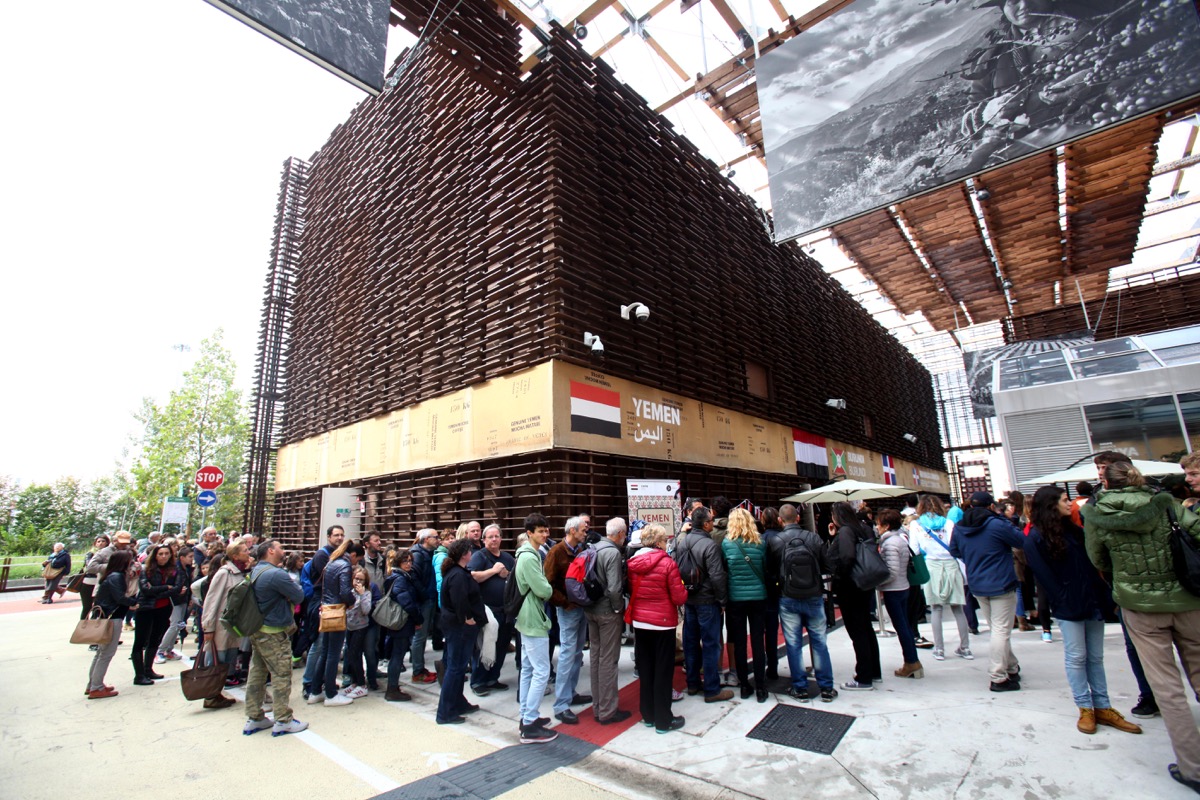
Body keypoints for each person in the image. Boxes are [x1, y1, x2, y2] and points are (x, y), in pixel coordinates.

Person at [1085, 461, 1200, 791]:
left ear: (1106, 483)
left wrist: (1124, 571)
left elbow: (1098, 559)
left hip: (1139, 604)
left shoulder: (1098, 515)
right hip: (1187, 597)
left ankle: (1192, 768)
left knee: (1167, 689)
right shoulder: (1168, 505)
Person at [1023, 486, 1140, 736]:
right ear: (1051, 504)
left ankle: (1103, 706)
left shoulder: (1075, 530)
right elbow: (1044, 577)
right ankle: (1085, 707)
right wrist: (1064, 599)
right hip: (1069, 605)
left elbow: (1092, 563)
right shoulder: (1035, 538)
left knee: (1095, 657)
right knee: (1076, 656)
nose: (1069, 504)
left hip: (1092, 600)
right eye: (1065, 501)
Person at [952, 492, 1026, 692]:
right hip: (1001, 581)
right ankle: (998, 675)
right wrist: (1003, 518)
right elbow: (1021, 540)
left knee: (998, 630)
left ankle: (1011, 666)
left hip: (977, 582)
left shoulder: (960, 527)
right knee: (1001, 630)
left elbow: (955, 550)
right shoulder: (996, 524)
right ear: (991, 506)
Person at [767, 504, 837, 702]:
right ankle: (826, 687)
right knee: (820, 641)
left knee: (793, 643)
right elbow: (827, 564)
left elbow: (770, 571)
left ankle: (800, 687)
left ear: (781, 520)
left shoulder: (776, 541)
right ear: (798, 518)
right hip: (813, 595)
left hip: (788, 597)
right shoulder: (813, 538)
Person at [242, 539, 308, 737]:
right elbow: (299, 595)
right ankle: (283, 719)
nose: (283, 550)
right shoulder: (276, 574)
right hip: (273, 631)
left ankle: (254, 716)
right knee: (281, 675)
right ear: (270, 551)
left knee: (257, 673)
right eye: (280, 547)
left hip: (257, 629)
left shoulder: (255, 571)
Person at [628, 523, 687, 733]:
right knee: (662, 671)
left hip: (640, 622)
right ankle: (664, 720)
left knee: (646, 668)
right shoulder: (667, 563)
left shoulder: (632, 563)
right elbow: (679, 596)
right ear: (660, 541)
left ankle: (649, 714)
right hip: (662, 623)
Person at [676, 506, 733, 702]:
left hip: (689, 598)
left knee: (690, 642)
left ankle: (692, 683)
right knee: (710, 644)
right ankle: (711, 688)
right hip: (707, 599)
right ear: (706, 524)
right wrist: (723, 599)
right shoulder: (710, 546)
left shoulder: (682, 543)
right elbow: (717, 576)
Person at [826, 502, 881, 691]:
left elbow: (847, 556)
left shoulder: (847, 532)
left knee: (857, 631)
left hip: (851, 586)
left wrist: (840, 576)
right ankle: (874, 670)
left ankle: (864, 676)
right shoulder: (864, 529)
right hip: (865, 583)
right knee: (866, 628)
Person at [513, 513, 558, 743]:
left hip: (526, 618)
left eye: (546, 530)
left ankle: (527, 717)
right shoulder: (530, 557)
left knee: (530, 670)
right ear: (529, 533)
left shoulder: (526, 554)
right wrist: (548, 588)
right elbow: (543, 590)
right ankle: (529, 724)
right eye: (540, 531)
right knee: (541, 671)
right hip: (533, 619)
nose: (545, 534)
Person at [909, 496, 971, 661]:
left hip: (931, 565)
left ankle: (939, 649)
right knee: (958, 608)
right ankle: (965, 647)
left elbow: (914, 550)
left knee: (936, 609)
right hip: (951, 564)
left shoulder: (916, 525)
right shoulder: (948, 523)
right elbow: (956, 545)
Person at [544, 516, 593, 724]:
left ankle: (570, 694)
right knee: (567, 653)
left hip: (580, 608)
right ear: (572, 531)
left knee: (576, 653)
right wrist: (564, 603)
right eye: (583, 529)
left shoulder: (580, 551)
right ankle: (561, 704)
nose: (586, 531)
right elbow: (547, 584)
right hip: (568, 610)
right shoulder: (556, 552)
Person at [720, 508, 770, 701]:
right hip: (758, 596)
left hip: (736, 598)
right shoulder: (760, 543)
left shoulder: (727, 543)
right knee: (758, 642)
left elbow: (725, 568)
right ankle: (761, 686)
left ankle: (744, 684)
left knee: (739, 642)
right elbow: (764, 567)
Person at [436, 539, 487, 724]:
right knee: (455, 668)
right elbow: (460, 600)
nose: (471, 552)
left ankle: (458, 703)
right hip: (460, 628)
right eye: (469, 550)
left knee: (457, 668)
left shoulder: (457, 572)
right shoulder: (457, 575)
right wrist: (468, 618)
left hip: (459, 626)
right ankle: (445, 712)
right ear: (464, 553)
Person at [586, 517, 630, 723]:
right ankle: (607, 710)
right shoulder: (612, 552)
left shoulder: (594, 548)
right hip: (607, 612)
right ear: (620, 533)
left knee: (595, 657)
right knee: (609, 661)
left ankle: (597, 707)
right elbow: (614, 588)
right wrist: (618, 607)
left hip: (591, 609)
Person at [201, 539, 250, 708]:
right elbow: (212, 601)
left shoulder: (240, 572)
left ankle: (216, 693)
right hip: (219, 627)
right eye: (245, 550)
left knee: (226, 662)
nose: (248, 553)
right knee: (216, 661)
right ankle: (210, 695)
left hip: (232, 627)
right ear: (235, 555)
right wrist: (208, 627)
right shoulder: (224, 573)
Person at [311, 540, 361, 706]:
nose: (357, 563)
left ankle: (315, 690)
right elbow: (345, 591)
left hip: (326, 608)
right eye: (358, 559)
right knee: (333, 653)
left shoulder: (332, 562)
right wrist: (353, 601)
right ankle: (331, 693)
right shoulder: (345, 565)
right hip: (338, 610)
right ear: (353, 555)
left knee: (325, 651)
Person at [468, 524, 515, 695]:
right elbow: (471, 576)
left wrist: (507, 574)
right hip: (487, 610)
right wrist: (493, 571)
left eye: (497, 536)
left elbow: (514, 576)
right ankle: (478, 681)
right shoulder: (480, 556)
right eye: (490, 537)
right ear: (484, 540)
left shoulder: (507, 557)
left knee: (502, 645)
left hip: (505, 610)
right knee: (486, 645)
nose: (494, 539)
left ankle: (493, 678)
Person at [86, 549, 139, 699]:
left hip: (106, 616)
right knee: (106, 653)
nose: (132, 563)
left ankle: (93, 684)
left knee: (101, 653)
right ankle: (96, 687)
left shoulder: (111, 575)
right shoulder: (117, 576)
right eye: (130, 561)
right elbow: (119, 597)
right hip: (112, 617)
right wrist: (134, 602)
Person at [877, 509, 923, 679]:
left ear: (886, 525)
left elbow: (892, 571)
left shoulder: (890, 543)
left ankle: (911, 661)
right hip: (903, 587)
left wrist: (877, 583)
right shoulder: (901, 539)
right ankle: (912, 661)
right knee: (905, 625)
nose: (877, 527)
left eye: (879, 524)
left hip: (894, 589)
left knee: (901, 627)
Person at [131, 544, 181, 686]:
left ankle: (148, 669)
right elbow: (146, 590)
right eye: (161, 554)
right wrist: (166, 587)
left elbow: (177, 588)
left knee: (155, 639)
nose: (164, 556)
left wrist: (159, 591)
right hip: (146, 608)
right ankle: (139, 675)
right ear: (155, 555)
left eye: (166, 553)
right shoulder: (146, 569)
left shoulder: (174, 569)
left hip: (164, 608)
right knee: (140, 642)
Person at [384, 549, 422, 702]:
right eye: (405, 561)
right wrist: (418, 618)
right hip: (401, 621)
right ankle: (392, 688)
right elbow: (406, 601)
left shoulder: (401, 577)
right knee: (398, 655)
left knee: (397, 654)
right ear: (398, 562)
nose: (409, 564)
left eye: (410, 561)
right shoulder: (400, 579)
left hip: (401, 620)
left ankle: (393, 687)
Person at [342, 565, 376, 699]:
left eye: (361, 580)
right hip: (349, 626)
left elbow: (366, 610)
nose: (358, 582)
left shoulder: (366, 593)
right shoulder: (349, 592)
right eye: (356, 579)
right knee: (350, 655)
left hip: (360, 627)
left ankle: (362, 684)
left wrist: (362, 595)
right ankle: (355, 681)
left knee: (355, 654)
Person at [156, 545, 194, 663]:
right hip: (175, 600)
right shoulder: (175, 569)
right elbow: (171, 585)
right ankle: (160, 651)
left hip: (182, 600)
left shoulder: (186, 569)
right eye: (189, 556)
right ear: (182, 557)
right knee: (174, 625)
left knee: (178, 625)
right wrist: (178, 591)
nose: (191, 559)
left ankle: (169, 649)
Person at [759, 507, 783, 681]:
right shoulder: (785, 537)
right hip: (787, 586)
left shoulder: (763, 540)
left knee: (769, 629)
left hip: (768, 589)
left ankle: (771, 666)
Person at [79, 534, 112, 621]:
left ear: (107, 543)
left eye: (103, 541)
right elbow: (90, 567)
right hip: (89, 582)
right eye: (98, 541)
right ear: (95, 543)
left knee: (98, 607)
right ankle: (83, 625)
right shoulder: (90, 553)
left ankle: (94, 626)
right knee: (87, 607)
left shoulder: (110, 553)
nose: (101, 543)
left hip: (101, 582)